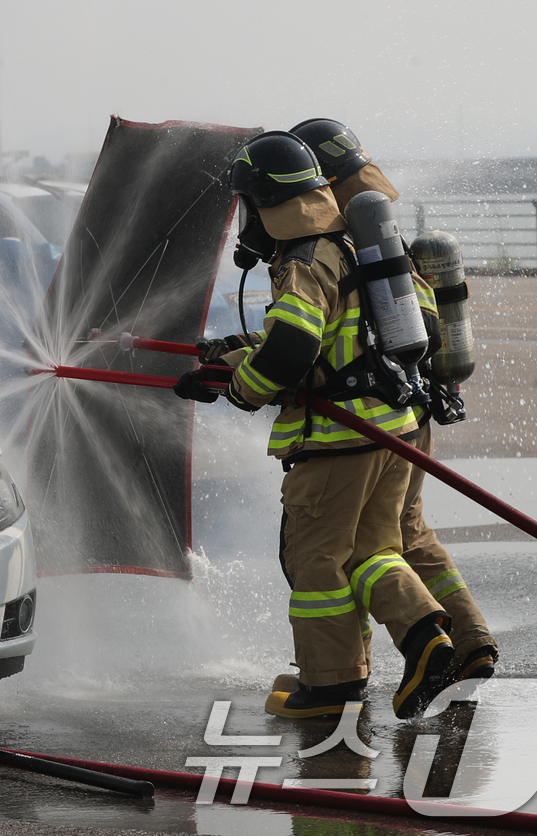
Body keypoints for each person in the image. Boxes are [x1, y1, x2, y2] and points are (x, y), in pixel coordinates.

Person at [175, 131, 455, 719]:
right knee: (372, 555)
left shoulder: (302, 261)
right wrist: (232, 354)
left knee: (317, 564)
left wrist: (239, 388)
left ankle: (331, 689)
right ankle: (427, 639)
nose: (245, 222)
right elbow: (334, 340)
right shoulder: (351, 244)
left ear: (269, 205)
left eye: (247, 207)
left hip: (338, 443)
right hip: (390, 430)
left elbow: (291, 351)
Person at [287, 118, 498, 683]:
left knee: (350, 550)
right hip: (411, 408)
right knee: (408, 535)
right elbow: (422, 319)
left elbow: (307, 344)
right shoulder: (381, 236)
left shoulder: (329, 243)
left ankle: (401, 653)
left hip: (363, 418)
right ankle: (470, 640)